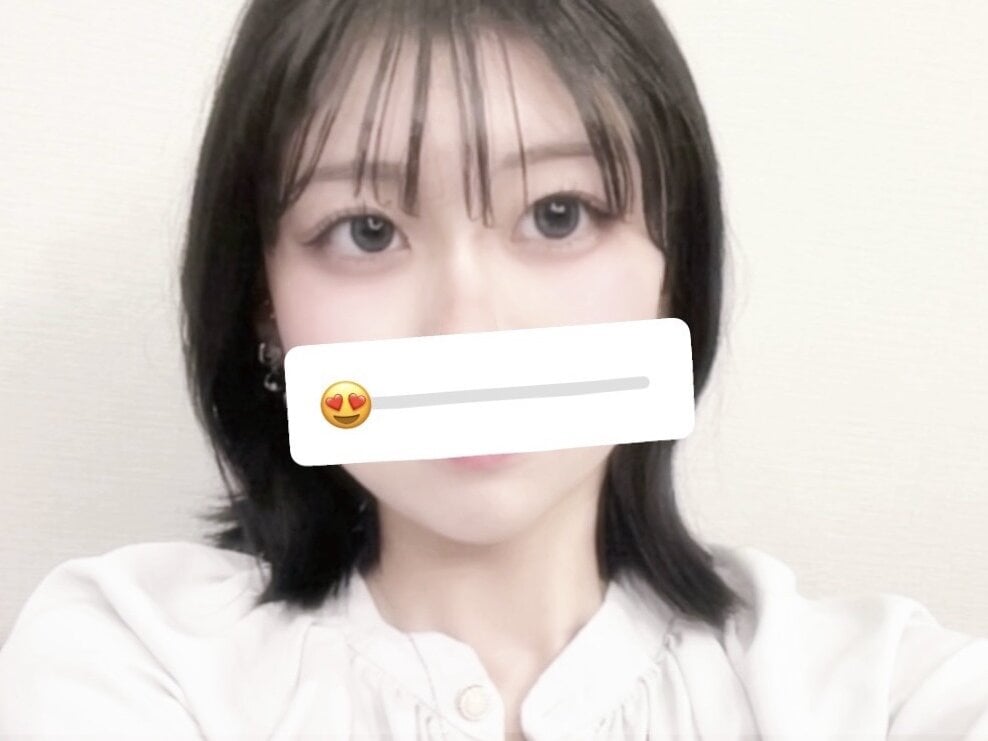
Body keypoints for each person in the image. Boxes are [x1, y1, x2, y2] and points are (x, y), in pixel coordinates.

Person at [1, 0, 986, 738]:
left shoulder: (877, 692)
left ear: (672, 273)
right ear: (266, 304)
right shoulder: (132, 655)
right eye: (366, 230)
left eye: (558, 214)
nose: (467, 329)